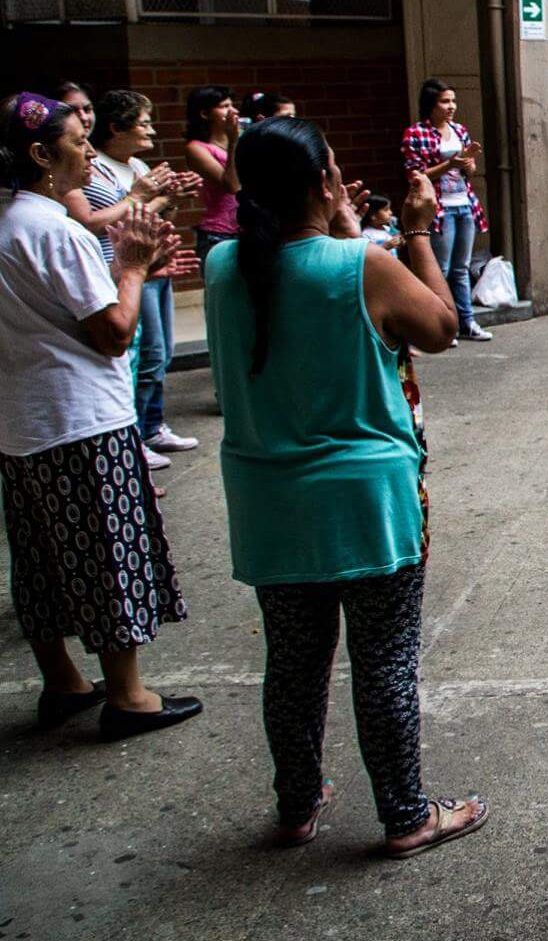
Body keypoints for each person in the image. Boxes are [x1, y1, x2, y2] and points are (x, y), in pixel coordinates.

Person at [206, 119, 485, 853]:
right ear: (321, 184)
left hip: (270, 505)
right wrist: (416, 234)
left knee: (293, 664)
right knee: (384, 659)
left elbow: (302, 277)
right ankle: (405, 813)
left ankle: (297, 804)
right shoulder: (363, 263)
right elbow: (438, 326)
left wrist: (344, 226)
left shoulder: (223, 266)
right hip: (366, 503)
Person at [0, 92, 201, 740]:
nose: (89, 151)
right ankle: (128, 694)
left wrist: (128, 261)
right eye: (76, 142)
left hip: (21, 423)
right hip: (81, 419)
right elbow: (114, 330)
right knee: (108, 551)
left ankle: (63, 680)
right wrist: (136, 268)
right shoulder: (52, 228)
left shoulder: (10, 222)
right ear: (40, 154)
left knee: (40, 559)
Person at [66, 89, 202, 464]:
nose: (153, 131)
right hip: (121, 270)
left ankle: (152, 426)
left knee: (159, 353)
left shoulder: (139, 167)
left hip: (152, 266)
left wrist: (171, 198)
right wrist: (148, 198)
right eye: (144, 123)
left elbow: (150, 217)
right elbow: (100, 221)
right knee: (135, 354)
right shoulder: (95, 170)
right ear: (116, 128)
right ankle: (134, 436)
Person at [402, 78, 493, 341]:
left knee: (461, 268)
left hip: (464, 203)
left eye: (453, 100)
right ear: (431, 103)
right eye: (445, 101)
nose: (451, 106)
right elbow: (416, 176)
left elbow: (469, 170)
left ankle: (467, 322)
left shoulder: (459, 130)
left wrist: (467, 162)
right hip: (439, 208)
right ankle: (439, 324)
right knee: (439, 268)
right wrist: (451, 163)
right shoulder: (416, 133)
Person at [182, 84, 241, 261]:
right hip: (220, 232)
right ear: (205, 114)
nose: (233, 111)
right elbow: (232, 186)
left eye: (232, 105)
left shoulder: (242, 139)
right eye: (224, 107)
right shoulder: (196, 148)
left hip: (248, 227)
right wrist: (233, 143)